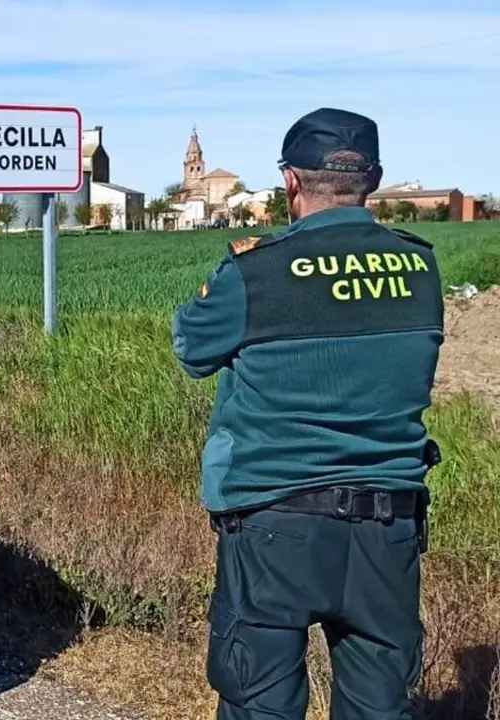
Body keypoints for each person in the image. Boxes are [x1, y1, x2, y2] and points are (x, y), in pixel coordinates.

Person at [170, 107, 444, 719]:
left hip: (275, 525)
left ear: (291, 182)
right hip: (387, 528)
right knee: (379, 707)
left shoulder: (256, 271)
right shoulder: (419, 267)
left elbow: (190, 348)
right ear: (371, 179)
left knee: (260, 703)